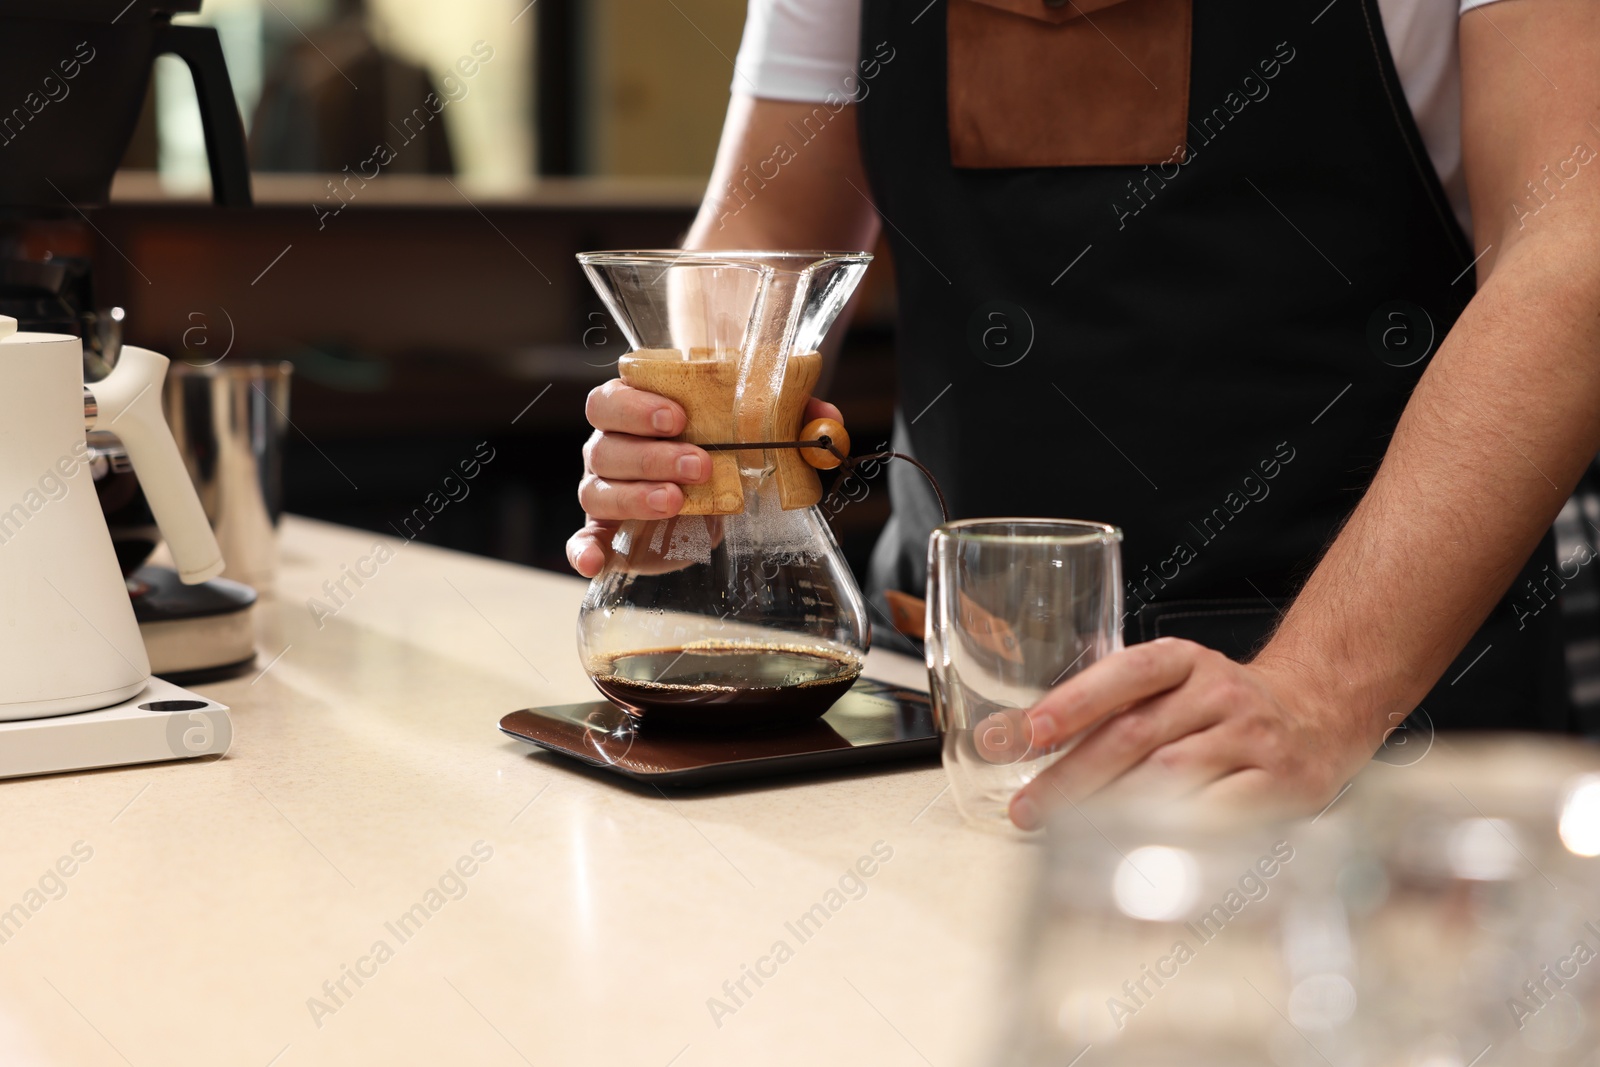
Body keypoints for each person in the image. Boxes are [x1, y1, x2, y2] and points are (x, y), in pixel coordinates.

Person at [569, 0, 1600, 828]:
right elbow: (766, 223)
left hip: (1374, 730)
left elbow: (1572, 256)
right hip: (951, 693)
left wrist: (1316, 690)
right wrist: (688, 424)